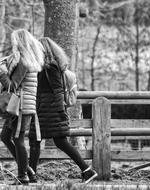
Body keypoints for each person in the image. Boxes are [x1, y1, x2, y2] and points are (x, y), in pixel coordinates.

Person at [28, 37, 98, 184]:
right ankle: (31, 175)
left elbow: (58, 90)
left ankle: (87, 171)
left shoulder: (50, 67)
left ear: (43, 50)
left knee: (57, 142)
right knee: (37, 142)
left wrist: (60, 111)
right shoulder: (42, 66)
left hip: (50, 112)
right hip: (43, 111)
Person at [0, 29, 44, 185]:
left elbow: (12, 86)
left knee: (17, 139)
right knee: (5, 137)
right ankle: (28, 171)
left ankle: (22, 176)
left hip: (21, 106)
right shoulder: (30, 60)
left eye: (14, 41)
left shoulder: (23, 62)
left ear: (19, 42)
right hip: (21, 105)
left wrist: (0, 73)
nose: (12, 44)